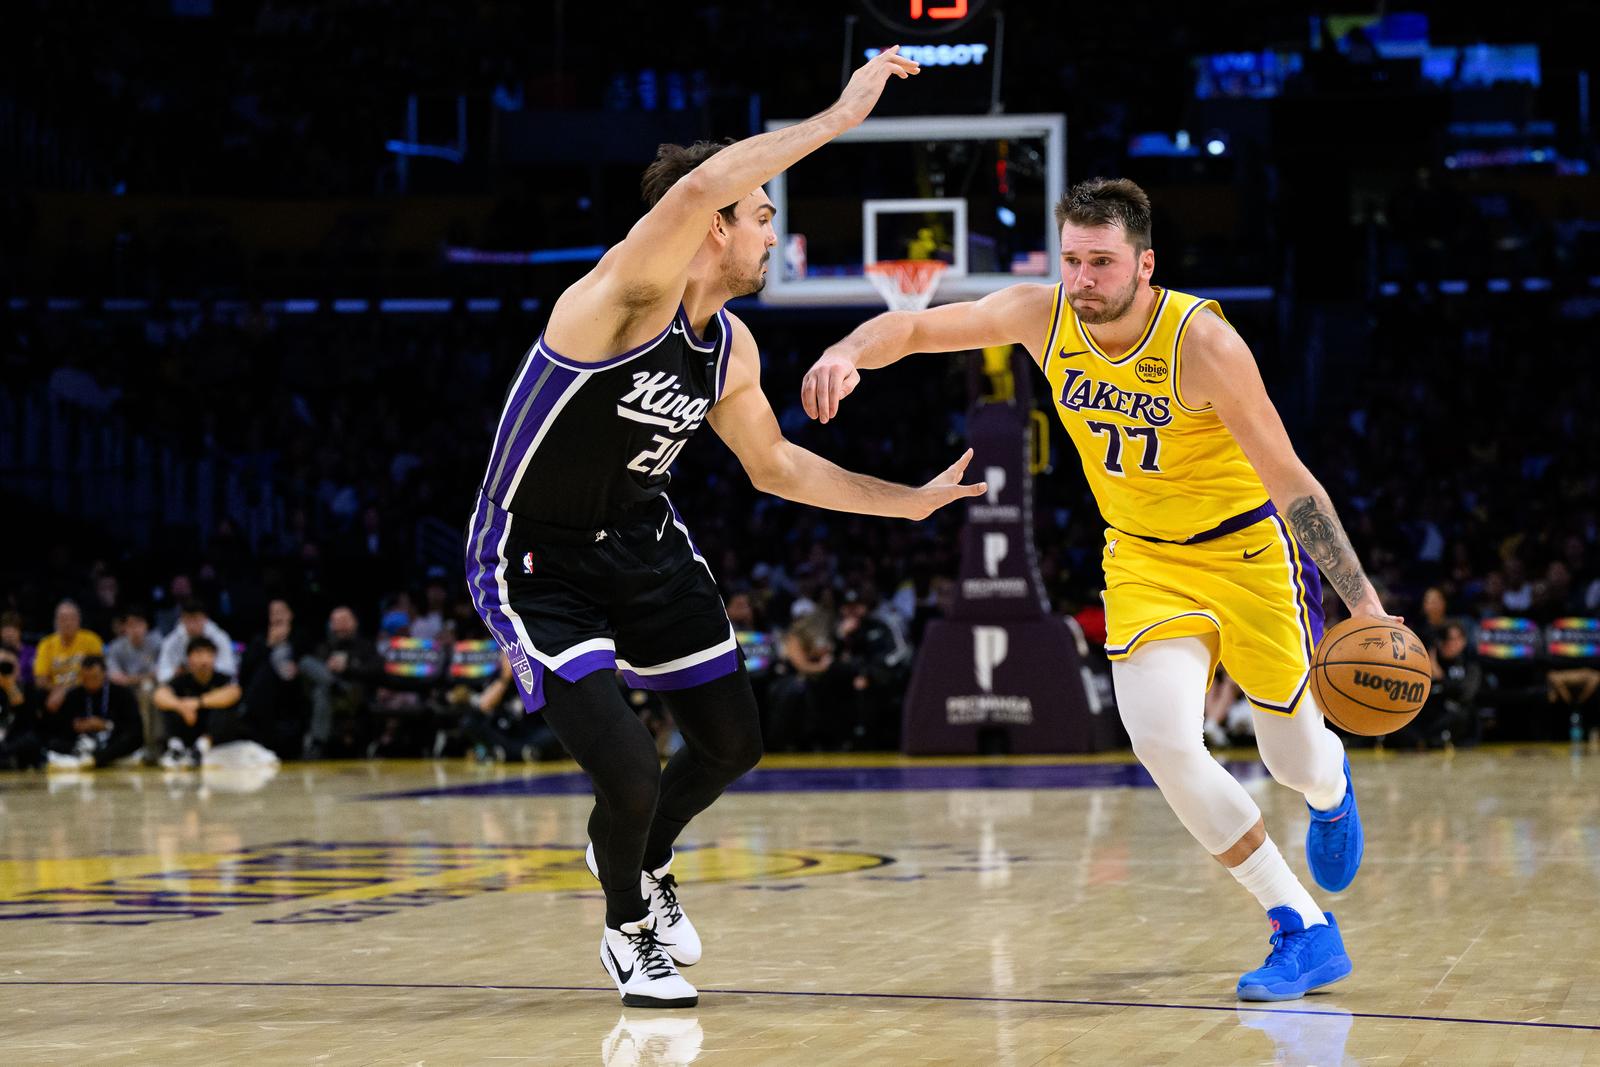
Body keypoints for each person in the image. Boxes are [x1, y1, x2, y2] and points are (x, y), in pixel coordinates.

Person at [462, 48, 982, 1009]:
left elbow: (778, 467)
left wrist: (903, 499)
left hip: (643, 543)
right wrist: (837, 116)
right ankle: (626, 929)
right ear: (714, 226)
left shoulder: (731, 347)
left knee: (734, 740)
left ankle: (646, 855)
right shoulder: (622, 296)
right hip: (535, 557)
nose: (774, 233)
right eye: (765, 216)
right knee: (626, 766)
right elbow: (705, 178)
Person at [803, 176, 1400, 1001]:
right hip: (1145, 559)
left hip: (1247, 553)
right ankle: (1299, 922)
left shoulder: (1204, 343)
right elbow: (910, 325)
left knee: (1289, 756)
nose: (1082, 279)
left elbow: (1291, 480)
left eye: (1101, 263)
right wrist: (846, 353)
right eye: (1072, 260)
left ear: (1144, 264)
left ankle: (1331, 790)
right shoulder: (1040, 315)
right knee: (1160, 738)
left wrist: (1361, 599)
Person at [152, 636, 243, 768]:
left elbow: (234, 693)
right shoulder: (181, 680)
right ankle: (175, 748)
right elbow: (159, 695)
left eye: (209, 654)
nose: (204, 659)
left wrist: (198, 702)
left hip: (212, 732)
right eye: (199, 653)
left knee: (225, 709)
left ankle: (202, 747)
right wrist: (181, 707)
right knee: (167, 705)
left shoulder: (223, 679)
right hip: (188, 728)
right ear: (189, 658)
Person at [43, 655, 144, 769]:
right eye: (86, 679)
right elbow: (62, 726)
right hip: (83, 742)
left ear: (104, 674)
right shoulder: (74, 695)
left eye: (94, 677)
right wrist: (77, 726)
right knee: (53, 743)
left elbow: (133, 727)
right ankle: (91, 758)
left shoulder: (122, 693)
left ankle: (94, 759)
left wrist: (105, 725)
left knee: (132, 739)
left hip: (112, 739)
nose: (90, 683)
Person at [33, 600, 105, 714]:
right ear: (56, 622)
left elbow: (98, 675)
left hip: (84, 691)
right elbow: (41, 679)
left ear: (79, 620)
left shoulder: (91, 640)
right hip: (55, 693)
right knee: (38, 694)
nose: (68, 623)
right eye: (63, 619)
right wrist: (58, 690)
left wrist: (66, 691)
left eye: (72, 618)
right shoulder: (46, 644)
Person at [155, 599, 238, 684]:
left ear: (205, 618)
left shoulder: (220, 638)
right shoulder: (171, 641)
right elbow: (162, 674)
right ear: (182, 619)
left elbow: (229, 669)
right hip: (183, 687)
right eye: (188, 620)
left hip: (214, 685)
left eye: (196, 619)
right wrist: (176, 672)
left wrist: (204, 667)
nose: (192, 625)